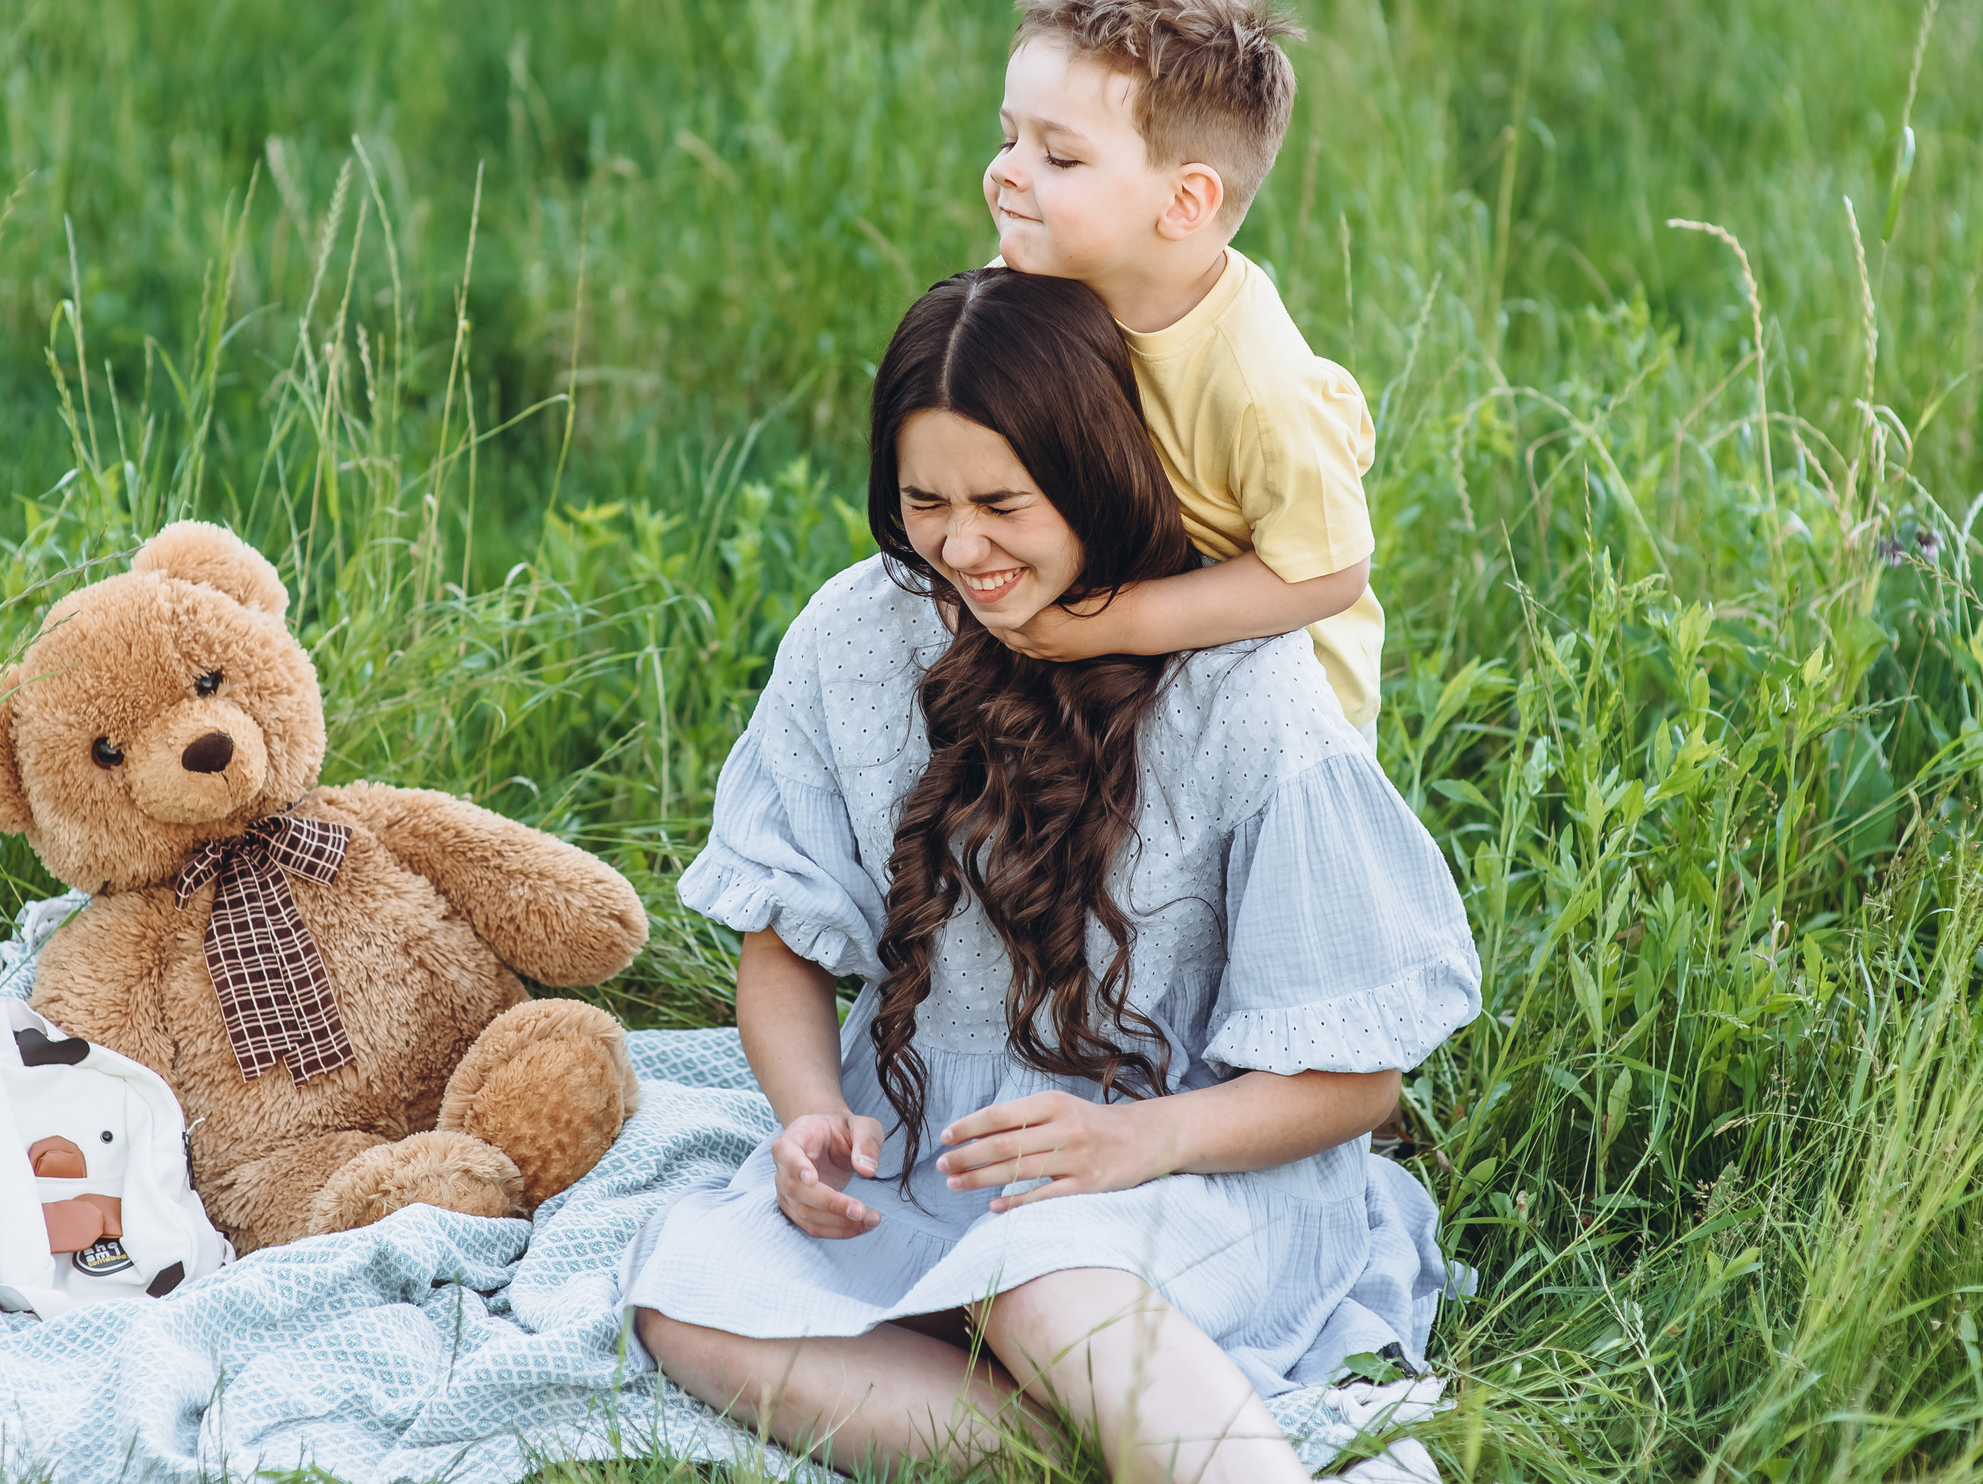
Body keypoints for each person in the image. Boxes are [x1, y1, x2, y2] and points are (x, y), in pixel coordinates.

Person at [620, 269, 1481, 1484]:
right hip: (929, 1153)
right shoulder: (856, 633)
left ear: (1093, 471)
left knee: (1037, 1284)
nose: (960, 545)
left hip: (1192, 1160)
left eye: (1001, 503)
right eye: (924, 500)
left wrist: (1135, 1141)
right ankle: (1074, 1453)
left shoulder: (1243, 683)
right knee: (688, 1300)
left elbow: (1357, 1078)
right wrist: (810, 1109)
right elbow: (785, 942)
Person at [980, 0, 1387, 744]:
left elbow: (1328, 573)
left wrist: (1108, 624)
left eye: (1059, 156)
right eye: (1007, 138)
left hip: (1273, 710)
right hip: (1127, 630)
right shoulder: (1030, 284)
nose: (1007, 174)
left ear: (1184, 203)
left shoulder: (1262, 387)